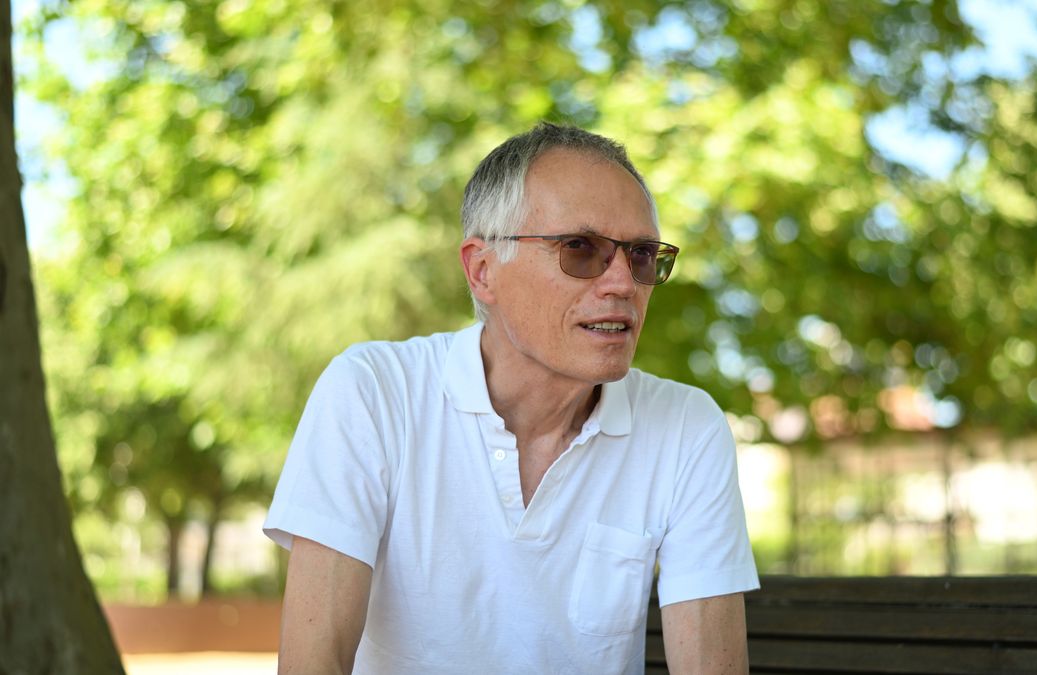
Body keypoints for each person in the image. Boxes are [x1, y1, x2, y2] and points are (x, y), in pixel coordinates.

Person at [263, 122, 759, 674]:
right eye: (580, 248)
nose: (623, 283)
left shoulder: (686, 427)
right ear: (482, 270)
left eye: (641, 255)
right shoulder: (374, 393)